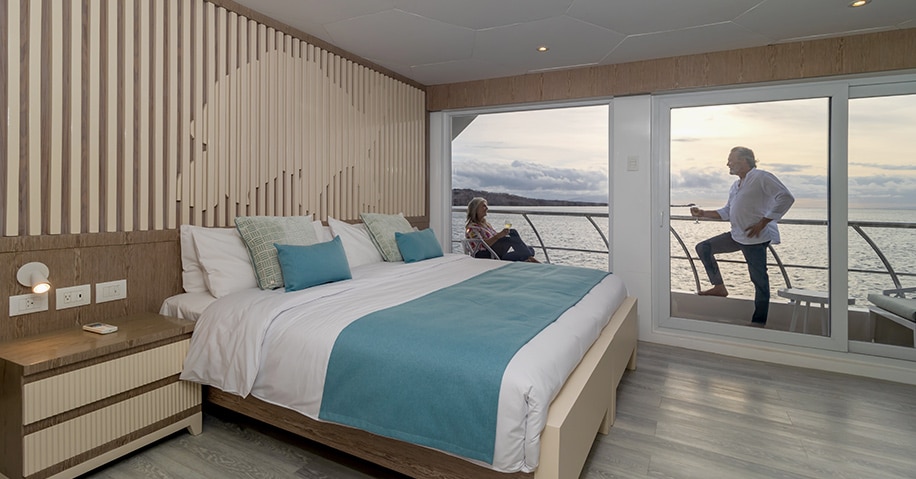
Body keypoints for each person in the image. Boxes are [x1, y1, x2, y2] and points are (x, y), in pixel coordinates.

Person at [690, 146, 794, 327]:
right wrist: (703, 213)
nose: (727, 164)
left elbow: (786, 197)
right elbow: (727, 212)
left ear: (744, 161)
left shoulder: (761, 177)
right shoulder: (735, 185)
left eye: (731, 160)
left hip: (755, 239)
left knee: (759, 282)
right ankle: (719, 287)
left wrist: (764, 222)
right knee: (703, 247)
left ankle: (758, 323)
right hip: (736, 235)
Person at [465, 197, 539, 262]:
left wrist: (502, 234)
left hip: (494, 252)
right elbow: (482, 245)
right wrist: (499, 235)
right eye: (484, 206)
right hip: (484, 254)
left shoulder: (486, 224)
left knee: (529, 249)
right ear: (476, 209)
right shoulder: (472, 228)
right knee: (513, 239)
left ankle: (527, 257)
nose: (487, 208)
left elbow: (495, 237)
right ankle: (530, 258)